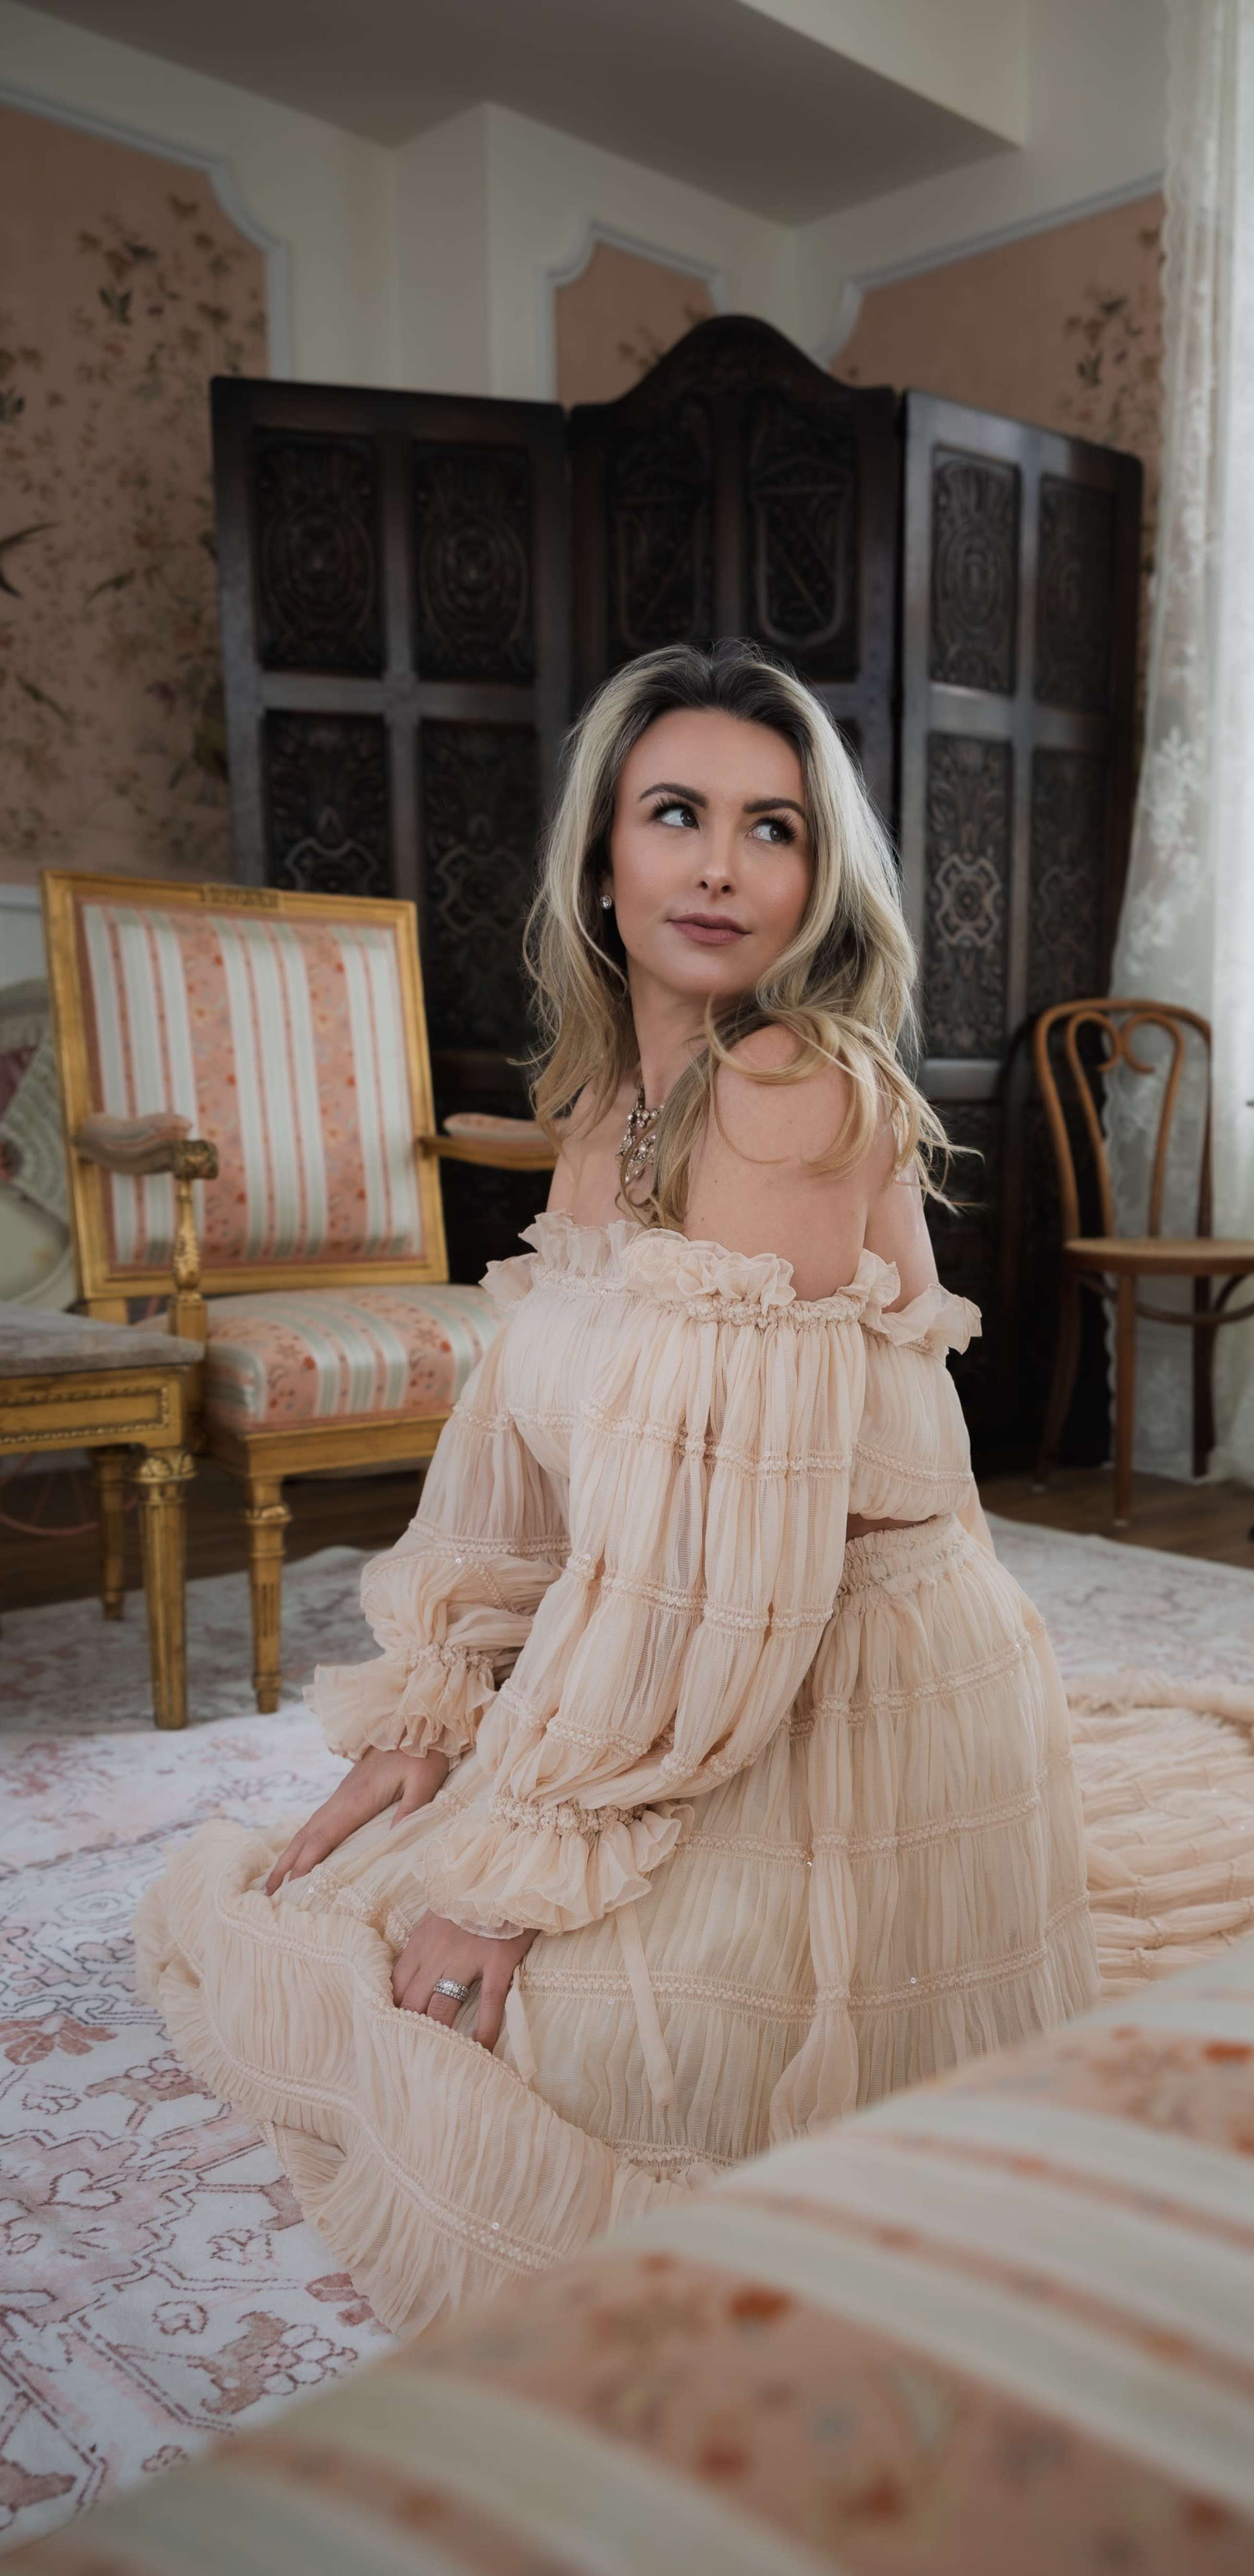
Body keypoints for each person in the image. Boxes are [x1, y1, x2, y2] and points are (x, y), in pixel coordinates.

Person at [137, 643, 1099, 2337]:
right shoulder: (604, 1103)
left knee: (542, 2054)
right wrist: (433, 1718)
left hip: (841, 1660)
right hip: (692, 1628)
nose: (723, 864)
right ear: (606, 859)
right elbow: (520, 1464)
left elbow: (729, 1569)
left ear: (816, 880)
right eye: (678, 814)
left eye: (773, 827)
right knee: (343, 1905)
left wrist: (514, 1876)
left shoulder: (793, 1087)